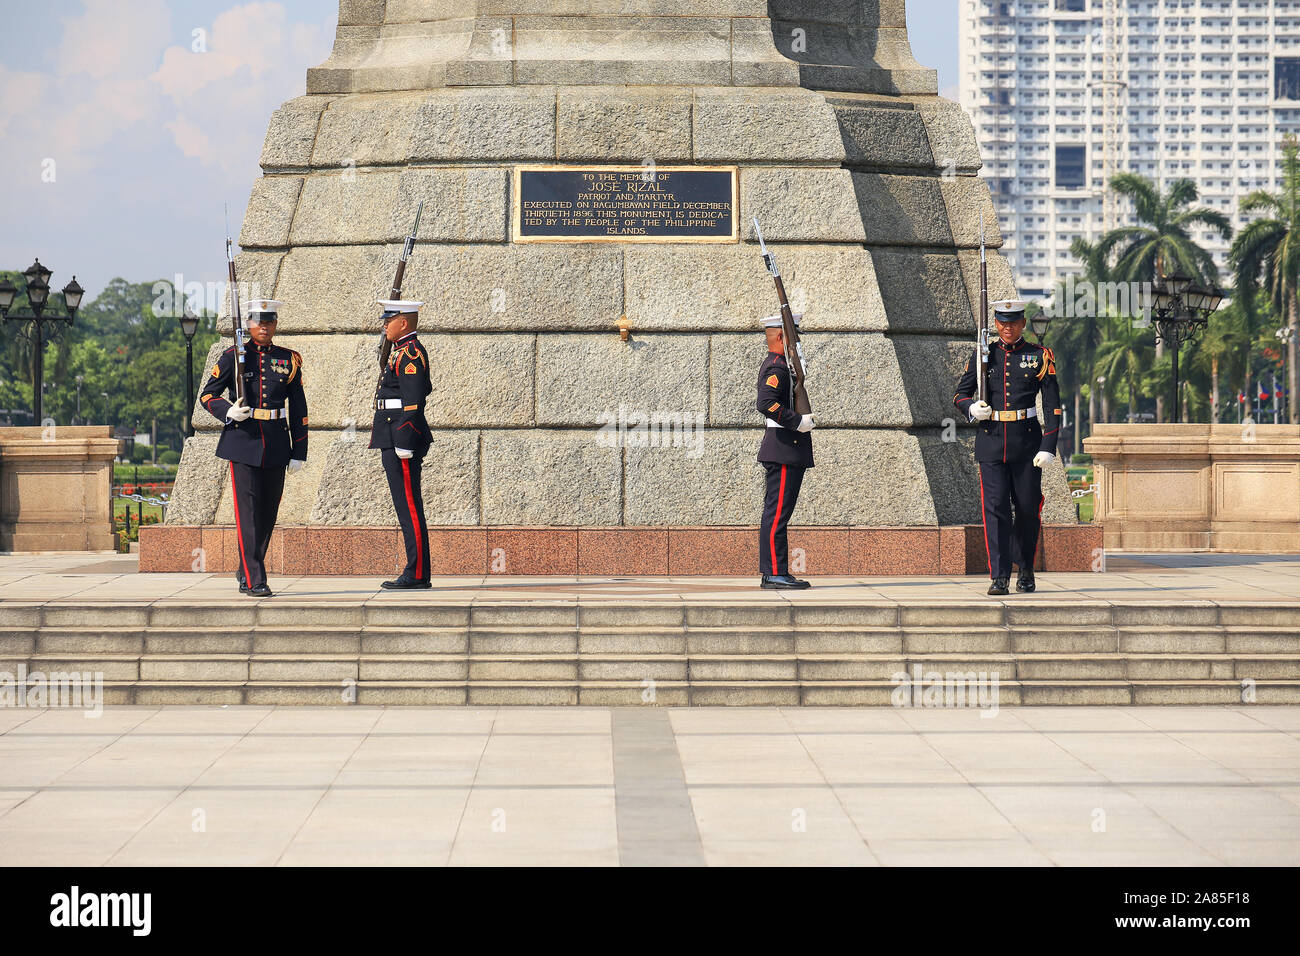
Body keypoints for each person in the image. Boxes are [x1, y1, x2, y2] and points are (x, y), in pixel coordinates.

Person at [198, 299, 308, 597]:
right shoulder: (234, 355)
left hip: (275, 442)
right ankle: (256, 577)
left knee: (267, 514)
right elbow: (207, 396)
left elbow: (298, 408)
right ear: (248, 325)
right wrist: (227, 411)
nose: (264, 327)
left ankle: (247, 567)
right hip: (242, 442)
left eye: (269, 321)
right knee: (247, 514)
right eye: (259, 322)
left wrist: (299, 451)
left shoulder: (289, 359)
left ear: (275, 325)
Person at [953, 299, 1062, 595]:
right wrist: (972, 408)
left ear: (1023, 324)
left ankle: (1025, 567)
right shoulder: (984, 355)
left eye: (1013, 322)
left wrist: (1048, 445)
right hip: (991, 442)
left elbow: (1053, 406)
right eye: (1002, 322)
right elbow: (960, 394)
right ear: (996, 324)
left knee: (1027, 509)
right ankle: (999, 575)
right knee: (996, 508)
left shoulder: (1039, 356)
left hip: (1027, 444)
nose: (1007, 328)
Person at [369, 299, 433, 590]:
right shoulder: (398, 351)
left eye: (388, 320)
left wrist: (405, 439)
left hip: (401, 436)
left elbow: (414, 401)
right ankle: (415, 570)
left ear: (403, 323)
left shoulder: (410, 353)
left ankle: (417, 573)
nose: (384, 325)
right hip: (391, 432)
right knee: (404, 505)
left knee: (409, 505)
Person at [756, 312, 815, 589]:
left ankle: (778, 571)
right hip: (782, 448)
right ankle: (773, 573)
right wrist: (797, 422)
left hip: (787, 449)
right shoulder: (776, 368)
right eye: (794, 333)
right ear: (781, 336)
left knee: (781, 514)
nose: (798, 339)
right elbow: (766, 403)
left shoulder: (785, 367)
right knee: (776, 514)